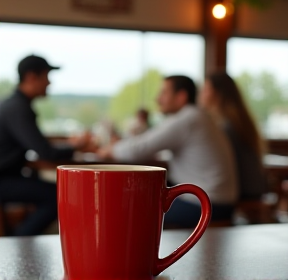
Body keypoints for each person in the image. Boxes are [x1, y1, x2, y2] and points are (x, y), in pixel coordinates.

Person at [97, 75, 238, 228]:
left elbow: (139, 148)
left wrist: (107, 150)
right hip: (219, 202)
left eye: (164, 93)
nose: (158, 99)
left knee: (128, 210)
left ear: (181, 97)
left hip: (207, 205)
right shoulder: (198, 116)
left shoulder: (187, 118)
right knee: (138, 202)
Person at [0, 55, 92, 236]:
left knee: (52, 191)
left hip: (9, 176)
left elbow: (38, 143)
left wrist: (69, 144)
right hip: (4, 180)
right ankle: (18, 241)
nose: (49, 83)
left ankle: (22, 240)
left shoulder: (15, 105)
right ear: (31, 77)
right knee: (59, 196)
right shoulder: (18, 108)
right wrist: (77, 147)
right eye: (46, 76)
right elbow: (45, 151)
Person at [198, 71, 267, 200]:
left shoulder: (226, 126)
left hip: (242, 190)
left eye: (205, 89)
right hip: (255, 187)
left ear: (217, 94)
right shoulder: (239, 120)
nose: (200, 94)